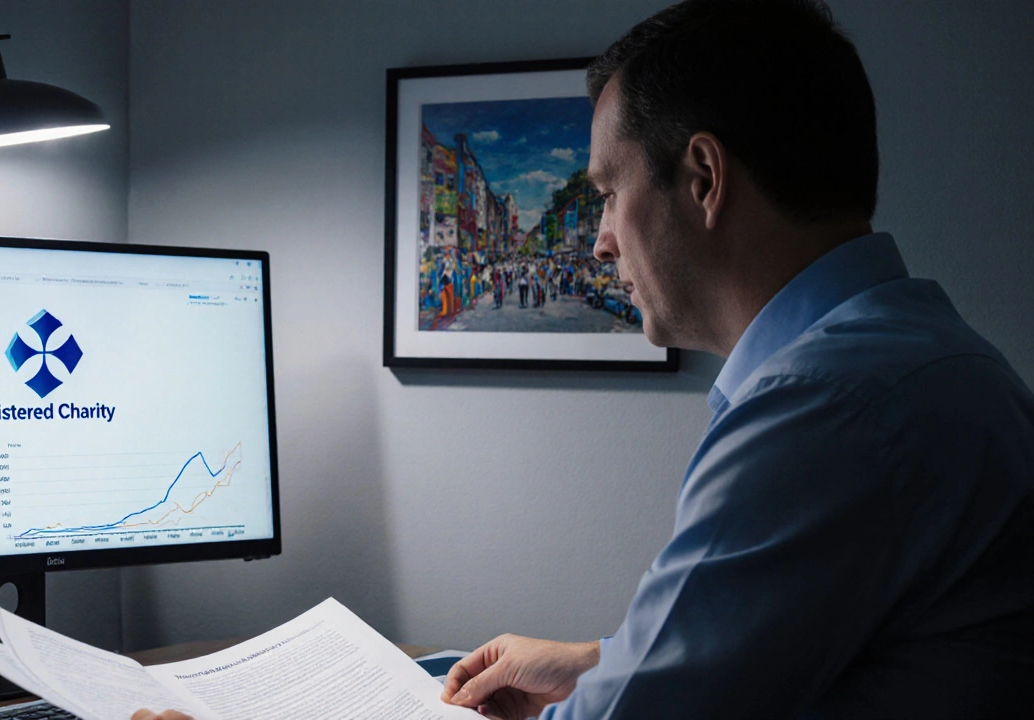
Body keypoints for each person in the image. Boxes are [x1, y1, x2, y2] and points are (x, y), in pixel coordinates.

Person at [438, 1, 1034, 719]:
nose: (600, 242)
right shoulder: (923, 357)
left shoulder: (823, 407)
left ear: (703, 179)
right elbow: (822, 645)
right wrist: (601, 659)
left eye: (607, 195)